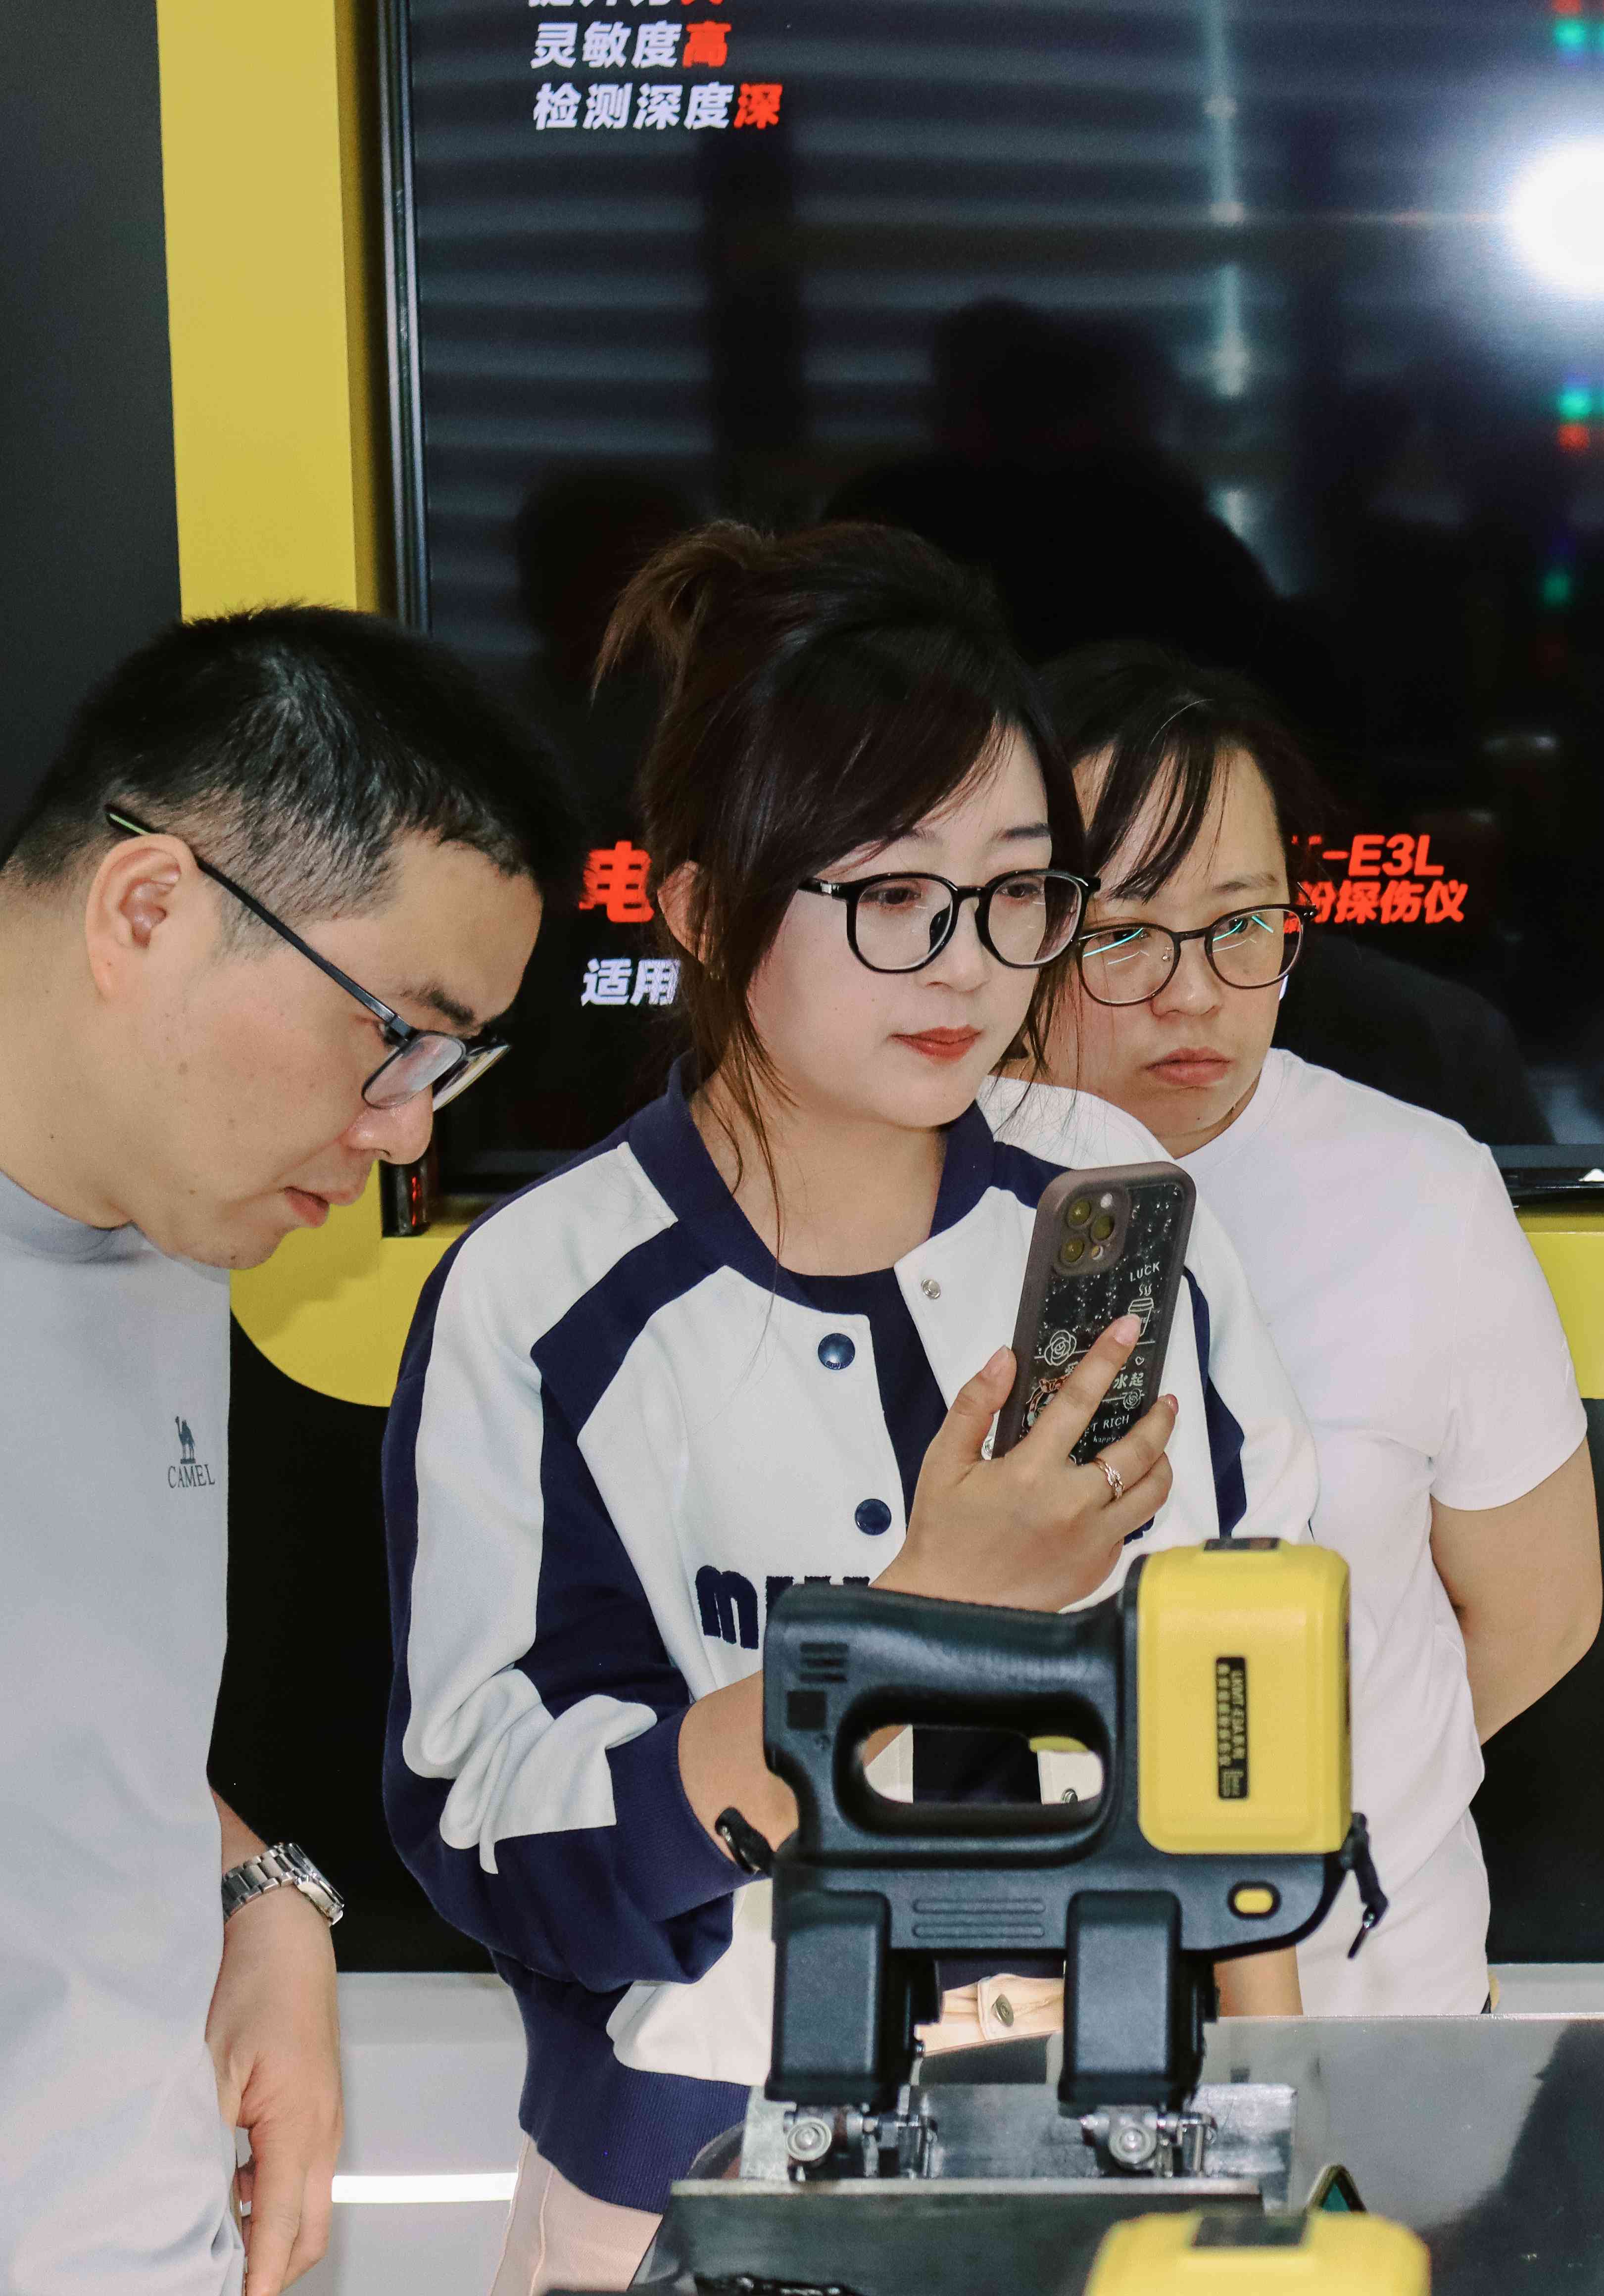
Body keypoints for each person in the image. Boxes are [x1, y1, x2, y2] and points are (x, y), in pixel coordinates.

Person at [381, 526, 1321, 2292]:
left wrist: (1284, 2124)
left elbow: (1250, 1710)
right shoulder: (548, 1295)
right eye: (894, 897)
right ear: (701, 907)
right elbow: (498, 1829)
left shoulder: (1105, 1205)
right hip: (698, 2170)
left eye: (1022, 892)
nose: (970, 967)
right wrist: (922, 1621)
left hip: (1122, 2139)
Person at [0, 609, 569, 2294]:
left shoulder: (177, 1226)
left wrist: (262, 1891)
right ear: (148, 908)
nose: (404, 1130)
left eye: (453, 1066)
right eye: (394, 1034)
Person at [1030, 643, 1599, 2014]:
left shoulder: (1421, 1188)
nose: (1194, 992)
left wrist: (1340, 1815)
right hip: (1026, 1984)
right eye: (1124, 933)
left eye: (1243, 923)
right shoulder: (927, 1186)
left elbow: (1539, 1610)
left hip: (1374, 1983)